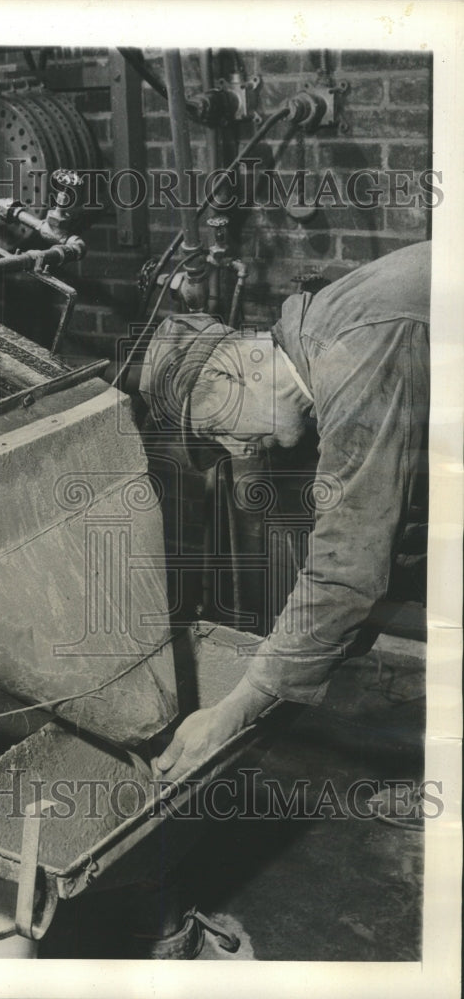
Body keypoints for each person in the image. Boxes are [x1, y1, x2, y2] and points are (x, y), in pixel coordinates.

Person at [139, 240, 431, 780]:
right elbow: (387, 541)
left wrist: (238, 706)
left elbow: (349, 565)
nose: (238, 451)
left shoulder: (351, 351)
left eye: (217, 430)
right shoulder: (330, 333)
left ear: (234, 373)